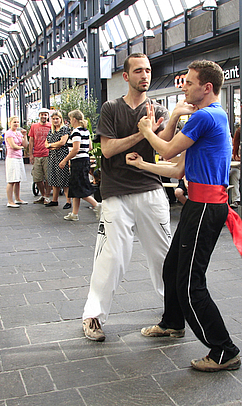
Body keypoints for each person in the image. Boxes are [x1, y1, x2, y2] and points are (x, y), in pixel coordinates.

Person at [134, 60, 242, 372]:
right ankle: (172, 322)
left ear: (207, 88)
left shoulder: (206, 116)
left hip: (205, 207)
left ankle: (224, 350)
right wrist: (141, 165)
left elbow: (166, 151)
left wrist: (146, 130)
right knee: (172, 268)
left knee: (189, 283)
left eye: (190, 82)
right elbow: (178, 168)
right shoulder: (211, 116)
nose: (184, 87)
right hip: (200, 204)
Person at [81, 53, 173, 343]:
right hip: (116, 193)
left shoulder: (160, 110)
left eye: (147, 70)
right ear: (126, 76)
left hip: (151, 189)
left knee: (164, 255)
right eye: (138, 71)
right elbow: (107, 150)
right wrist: (142, 133)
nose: (144, 75)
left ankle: (174, 313)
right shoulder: (111, 108)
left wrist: (165, 126)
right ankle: (93, 315)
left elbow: (168, 148)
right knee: (111, 257)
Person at [58, 110, 101, 221]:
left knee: (79, 188)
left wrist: (65, 159)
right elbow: (90, 147)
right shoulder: (85, 131)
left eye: (71, 119)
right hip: (84, 160)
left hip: (78, 162)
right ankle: (74, 213)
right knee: (75, 187)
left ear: (74, 119)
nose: (70, 121)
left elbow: (76, 149)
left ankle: (97, 206)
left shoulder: (76, 132)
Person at [45, 110, 72, 208]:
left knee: (63, 178)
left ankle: (68, 201)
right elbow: (46, 143)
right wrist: (52, 146)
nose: (55, 120)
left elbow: (62, 142)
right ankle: (54, 200)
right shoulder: (51, 130)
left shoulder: (64, 129)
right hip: (52, 156)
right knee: (53, 178)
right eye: (53, 119)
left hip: (62, 156)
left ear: (61, 119)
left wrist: (51, 145)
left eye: (57, 118)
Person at [4, 116, 28, 208]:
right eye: (14, 122)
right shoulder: (9, 133)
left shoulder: (18, 133)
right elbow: (13, 146)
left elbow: (25, 144)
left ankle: (17, 198)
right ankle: (10, 201)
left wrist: (25, 135)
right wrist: (21, 147)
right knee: (11, 180)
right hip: (12, 158)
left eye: (17, 122)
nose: (16, 124)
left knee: (18, 179)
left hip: (19, 157)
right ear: (10, 123)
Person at [29, 108, 51, 204]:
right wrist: (30, 154)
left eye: (45, 114)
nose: (43, 116)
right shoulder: (34, 126)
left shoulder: (51, 126)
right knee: (37, 178)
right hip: (37, 154)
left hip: (48, 154)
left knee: (48, 177)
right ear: (39, 116)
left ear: (47, 116)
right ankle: (42, 195)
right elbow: (31, 141)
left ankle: (47, 196)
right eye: (42, 114)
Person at [229, 126, 241, 208]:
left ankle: (236, 199)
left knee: (234, 174)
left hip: (240, 168)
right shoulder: (235, 146)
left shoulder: (240, 146)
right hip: (236, 166)